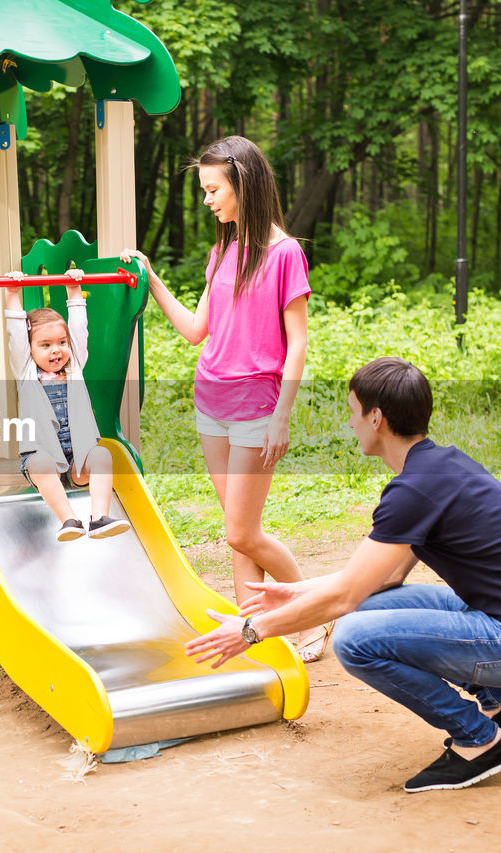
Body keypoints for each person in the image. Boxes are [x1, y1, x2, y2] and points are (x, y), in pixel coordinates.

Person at [184, 357, 501, 793]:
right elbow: (381, 580)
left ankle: (479, 740)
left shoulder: (415, 490)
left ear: (376, 418)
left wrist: (251, 631)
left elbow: (343, 600)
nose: (350, 422)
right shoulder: (436, 467)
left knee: (355, 639)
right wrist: (296, 592)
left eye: (353, 411)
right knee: (378, 605)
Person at [121, 135, 331, 661]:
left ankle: (312, 613)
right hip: (210, 400)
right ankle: (251, 632)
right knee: (238, 532)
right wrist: (150, 278)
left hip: (258, 405)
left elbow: (299, 341)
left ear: (244, 183)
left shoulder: (285, 254)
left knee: (242, 531)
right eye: (205, 191)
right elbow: (197, 331)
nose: (208, 200)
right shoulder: (221, 252)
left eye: (214, 189)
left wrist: (283, 415)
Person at [4, 271, 129, 541]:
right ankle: (68, 520)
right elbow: (15, 332)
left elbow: (79, 331)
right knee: (38, 462)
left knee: (102, 455)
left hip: (77, 462)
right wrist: (12, 293)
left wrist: (74, 291)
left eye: (61, 343)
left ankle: (99, 519)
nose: (56, 351)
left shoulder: (74, 369)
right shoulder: (26, 372)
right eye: (45, 345)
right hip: (44, 460)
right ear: (30, 349)